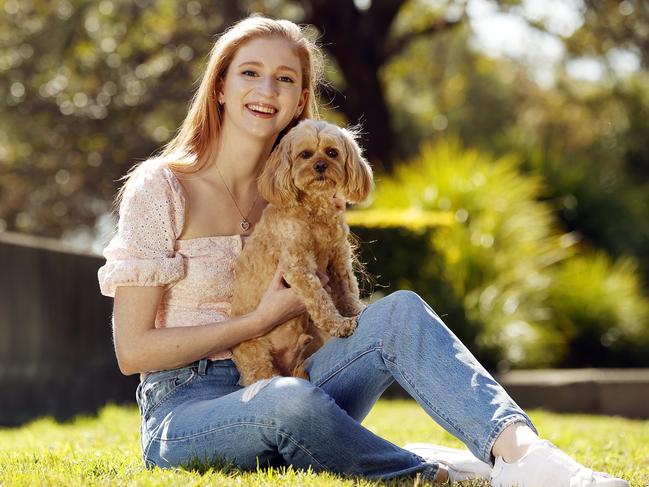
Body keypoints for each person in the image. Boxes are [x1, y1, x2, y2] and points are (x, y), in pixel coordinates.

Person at [97, 15, 629, 486]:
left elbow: (338, 302)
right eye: (250, 72)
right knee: (290, 403)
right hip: (188, 406)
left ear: (300, 99)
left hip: (299, 374)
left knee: (400, 312)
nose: (267, 89)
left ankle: (527, 458)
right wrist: (258, 321)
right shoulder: (161, 187)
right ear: (219, 86)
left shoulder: (308, 187)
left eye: (286, 79)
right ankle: (433, 473)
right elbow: (133, 352)